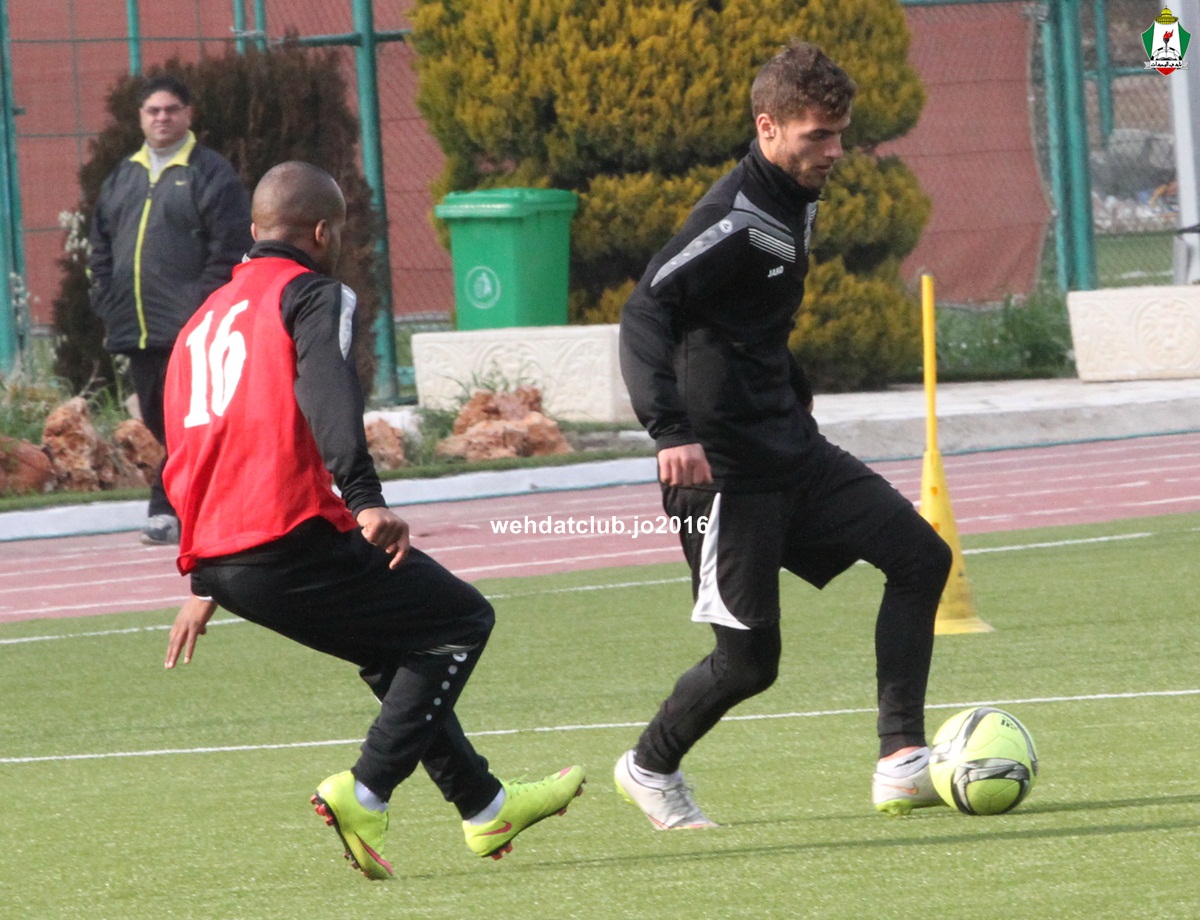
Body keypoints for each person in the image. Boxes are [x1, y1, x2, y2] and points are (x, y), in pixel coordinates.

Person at [161, 161, 584, 880]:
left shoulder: (201, 321)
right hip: (288, 537)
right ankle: (365, 791)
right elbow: (328, 391)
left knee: (395, 651)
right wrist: (364, 498)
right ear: (324, 232)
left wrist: (204, 577)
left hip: (224, 558)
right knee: (461, 621)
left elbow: (190, 444)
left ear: (255, 229)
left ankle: (485, 807)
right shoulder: (311, 293)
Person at [614, 41, 953, 829]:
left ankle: (901, 757)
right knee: (748, 664)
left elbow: (746, 324)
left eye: (839, 134)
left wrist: (790, 390)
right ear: (768, 128)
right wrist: (669, 430)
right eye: (817, 136)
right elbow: (646, 309)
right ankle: (649, 766)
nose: (834, 151)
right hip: (724, 474)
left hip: (792, 449)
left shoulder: (796, 195)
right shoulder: (732, 218)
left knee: (921, 557)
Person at [88, 74, 253, 545]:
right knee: (161, 424)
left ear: (188, 113)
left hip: (191, 330)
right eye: (153, 111)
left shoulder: (210, 173)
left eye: (171, 109)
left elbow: (229, 246)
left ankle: (166, 510)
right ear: (141, 118)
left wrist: (202, 309)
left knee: (186, 422)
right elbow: (101, 245)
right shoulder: (123, 176)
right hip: (136, 329)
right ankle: (213, 503)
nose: (162, 118)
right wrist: (106, 298)